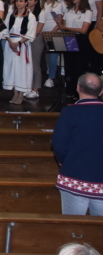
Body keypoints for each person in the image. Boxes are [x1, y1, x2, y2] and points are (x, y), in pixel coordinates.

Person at [52, 73, 103, 215]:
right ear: (101, 92)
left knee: (73, 225)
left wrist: (67, 162)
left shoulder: (70, 112)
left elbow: (59, 144)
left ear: (78, 88)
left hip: (74, 178)